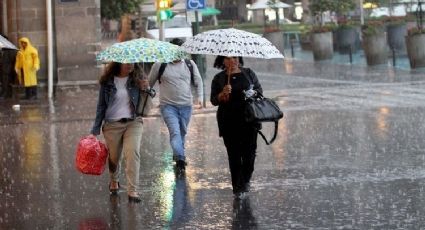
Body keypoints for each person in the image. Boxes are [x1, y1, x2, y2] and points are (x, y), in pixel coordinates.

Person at [145, 38, 203, 172]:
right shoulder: (160, 65)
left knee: (182, 132)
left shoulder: (189, 64)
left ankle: (178, 155)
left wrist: (199, 98)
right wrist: (147, 91)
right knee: (175, 132)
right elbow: (150, 83)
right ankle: (181, 159)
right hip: (168, 106)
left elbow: (198, 81)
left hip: (186, 105)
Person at [90, 62, 144, 203]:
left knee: (132, 153)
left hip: (133, 122)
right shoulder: (107, 82)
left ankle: (133, 190)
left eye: (133, 61)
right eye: (127, 62)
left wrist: (147, 89)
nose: (130, 64)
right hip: (112, 125)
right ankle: (114, 180)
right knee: (114, 157)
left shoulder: (137, 79)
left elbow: (146, 101)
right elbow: (101, 106)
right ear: (119, 63)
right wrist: (95, 130)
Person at [210, 56, 263, 200]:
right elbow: (214, 100)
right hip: (228, 121)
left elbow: (259, 91)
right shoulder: (219, 78)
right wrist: (222, 94)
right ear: (223, 61)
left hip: (249, 120)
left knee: (249, 155)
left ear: (239, 59)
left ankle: (245, 180)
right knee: (234, 155)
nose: (232, 61)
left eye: (235, 58)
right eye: (228, 59)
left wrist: (253, 93)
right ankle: (237, 188)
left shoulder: (249, 73)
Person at [0, 34, 18, 99]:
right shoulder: (3, 49)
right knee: (4, 82)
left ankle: (5, 95)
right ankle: (5, 94)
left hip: (8, 69)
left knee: (6, 83)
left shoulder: (11, 50)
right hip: (3, 69)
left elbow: (14, 60)